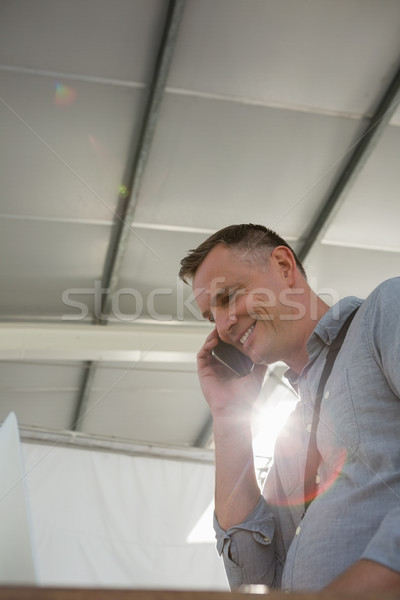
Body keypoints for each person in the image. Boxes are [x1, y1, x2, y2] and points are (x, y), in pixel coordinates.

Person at [179, 223, 400, 593]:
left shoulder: (385, 311)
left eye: (229, 296)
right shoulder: (290, 438)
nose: (223, 326)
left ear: (283, 266)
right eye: (211, 317)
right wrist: (229, 417)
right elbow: (255, 582)